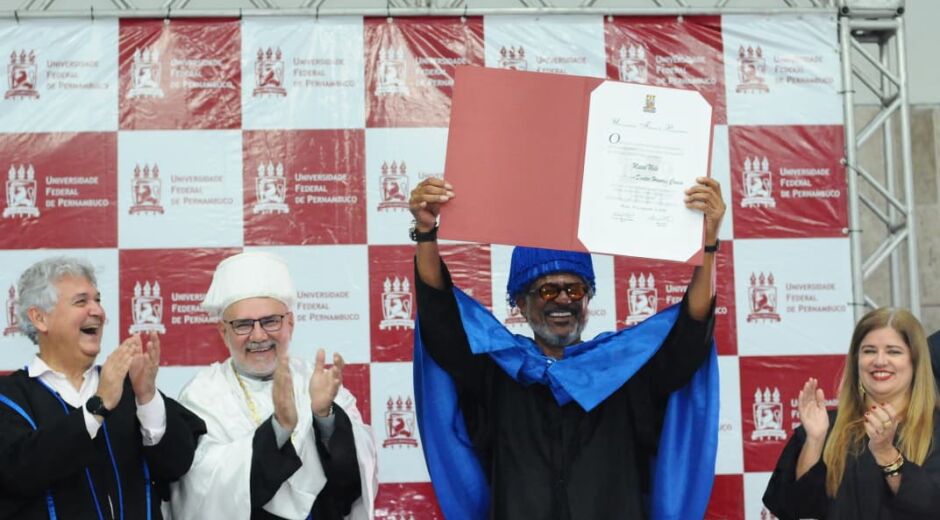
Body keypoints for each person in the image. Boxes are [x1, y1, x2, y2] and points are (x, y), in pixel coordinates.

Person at [409, 176, 725, 519]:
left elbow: (690, 333)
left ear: (587, 301)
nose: (563, 299)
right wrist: (426, 233)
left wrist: (708, 244)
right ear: (521, 302)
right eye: (548, 290)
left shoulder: (622, 373)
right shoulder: (498, 373)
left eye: (575, 290)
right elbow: (440, 315)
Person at [170, 251, 377, 520]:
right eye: (243, 325)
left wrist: (324, 418)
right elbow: (201, 489)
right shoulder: (202, 394)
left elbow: (353, 483)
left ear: (290, 323)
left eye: (270, 321)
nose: (258, 336)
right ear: (224, 332)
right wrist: (279, 428)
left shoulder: (318, 382)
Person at [0, 256, 206, 519]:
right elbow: (18, 474)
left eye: (97, 300)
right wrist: (97, 407)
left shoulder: (128, 388)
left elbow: (177, 465)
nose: (97, 311)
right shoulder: (10, 399)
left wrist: (147, 397)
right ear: (40, 318)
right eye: (81, 301)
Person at [763, 308, 940, 519]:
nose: (879, 361)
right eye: (869, 351)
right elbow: (799, 509)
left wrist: (886, 454)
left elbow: (931, 507)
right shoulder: (826, 426)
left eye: (893, 351)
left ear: (916, 360)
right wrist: (815, 440)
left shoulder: (935, 430)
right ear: (856, 360)